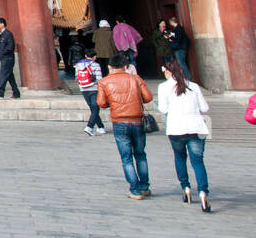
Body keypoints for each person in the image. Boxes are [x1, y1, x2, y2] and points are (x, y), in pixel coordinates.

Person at [96, 52, 154, 199]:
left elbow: (101, 103)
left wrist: (113, 101)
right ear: (125, 66)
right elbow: (148, 97)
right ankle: (145, 187)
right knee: (140, 155)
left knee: (126, 158)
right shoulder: (135, 79)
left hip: (119, 122)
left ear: (109, 66)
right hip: (137, 120)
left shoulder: (104, 82)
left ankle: (135, 190)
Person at [157, 58, 211, 212]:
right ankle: (203, 191)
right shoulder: (193, 86)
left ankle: (186, 188)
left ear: (167, 72)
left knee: (180, 158)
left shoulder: (163, 87)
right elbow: (205, 108)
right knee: (198, 162)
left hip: (176, 129)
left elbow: (163, 109)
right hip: (196, 128)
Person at [73, 47, 106, 137]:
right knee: (95, 108)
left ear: (85, 56)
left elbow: (77, 78)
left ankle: (100, 127)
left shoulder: (78, 65)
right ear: (94, 57)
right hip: (94, 89)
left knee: (93, 108)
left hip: (83, 89)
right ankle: (89, 127)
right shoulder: (96, 65)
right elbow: (99, 79)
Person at [0, 17, 19, 99]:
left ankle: (0, 93)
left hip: (8, 58)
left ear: (2, 24)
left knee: (3, 75)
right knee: (9, 76)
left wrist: (2, 54)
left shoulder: (8, 34)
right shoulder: (2, 34)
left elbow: (11, 47)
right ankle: (16, 93)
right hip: (4, 58)